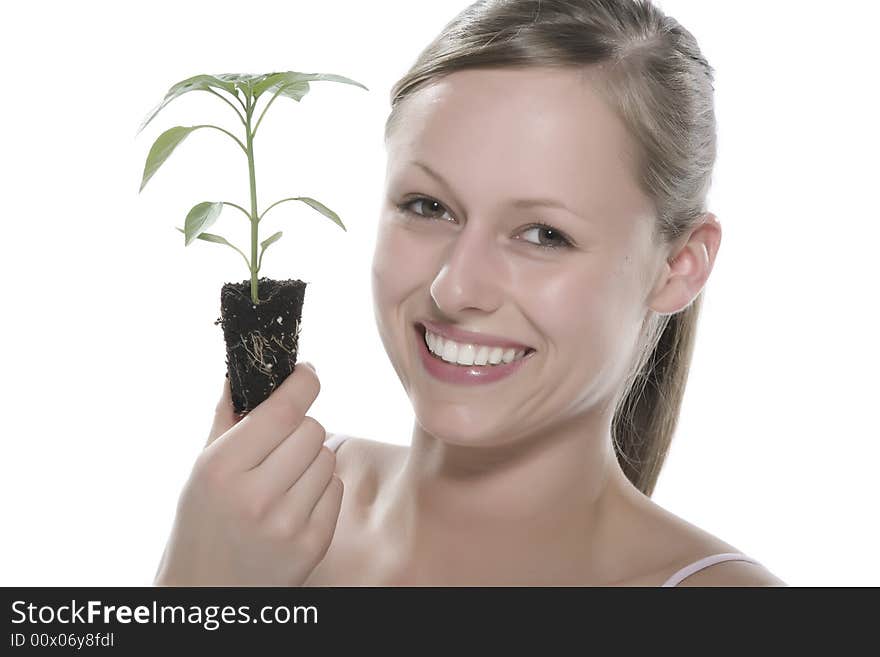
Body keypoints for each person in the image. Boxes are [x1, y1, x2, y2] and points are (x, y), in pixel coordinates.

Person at [154, 0, 786, 587]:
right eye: (428, 206)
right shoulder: (266, 513)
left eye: (543, 234)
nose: (453, 287)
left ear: (680, 265)